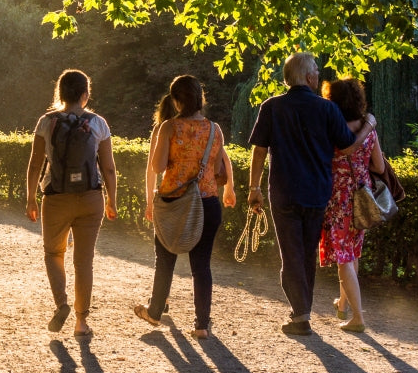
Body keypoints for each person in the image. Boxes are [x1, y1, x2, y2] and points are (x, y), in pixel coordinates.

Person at [247, 53, 375, 336]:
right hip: (318, 192)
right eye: (316, 71)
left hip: (283, 191)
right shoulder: (327, 110)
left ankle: (300, 313)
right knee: (305, 254)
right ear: (307, 77)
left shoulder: (271, 107)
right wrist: (369, 125)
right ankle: (301, 311)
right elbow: (349, 147)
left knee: (291, 254)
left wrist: (254, 188)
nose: (319, 75)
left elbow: (259, 150)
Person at [134, 75, 235, 339]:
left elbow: (157, 167)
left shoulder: (169, 127)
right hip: (208, 202)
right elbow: (217, 169)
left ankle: (155, 311)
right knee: (201, 266)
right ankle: (202, 325)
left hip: (174, 202)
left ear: (176, 101)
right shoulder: (215, 129)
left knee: (165, 260)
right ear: (201, 98)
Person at [24, 69, 119, 336]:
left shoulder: (46, 121)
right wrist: (112, 199)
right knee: (84, 261)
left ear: (60, 94)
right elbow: (109, 168)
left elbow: (35, 165)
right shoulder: (98, 123)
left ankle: (61, 304)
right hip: (91, 198)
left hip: (56, 198)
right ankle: (81, 321)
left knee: (54, 253)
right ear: (85, 95)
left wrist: (31, 198)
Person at [320, 78, 385, 333]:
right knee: (352, 252)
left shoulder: (331, 129)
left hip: (338, 198)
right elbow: (379, 167)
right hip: (362, 197)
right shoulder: (368, 130)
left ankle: (358, 317)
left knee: (343, 258)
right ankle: (343, 305)